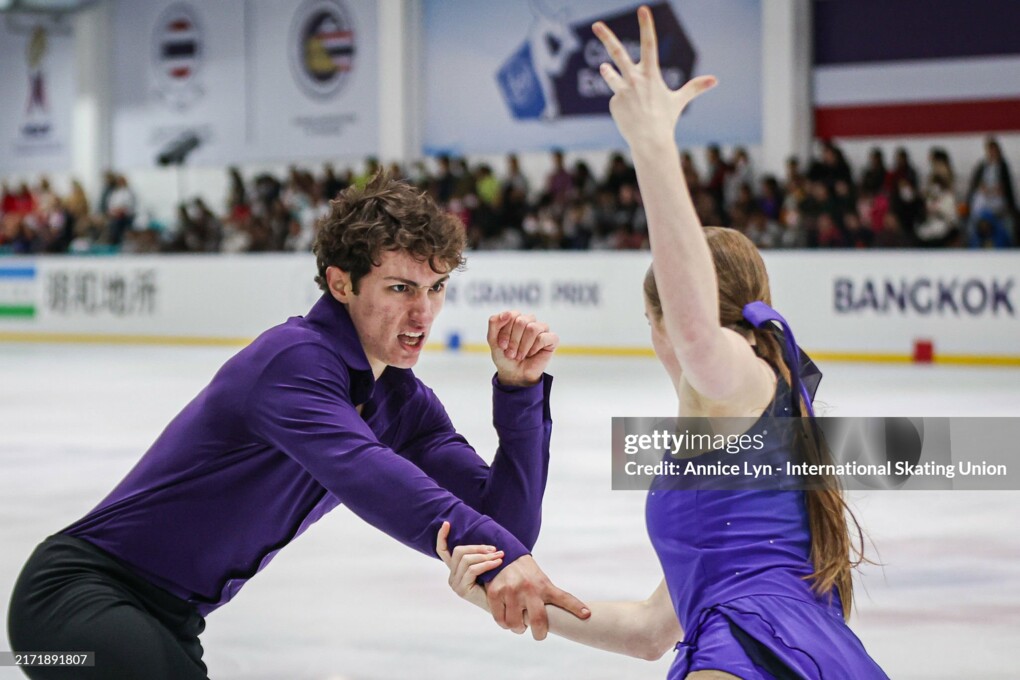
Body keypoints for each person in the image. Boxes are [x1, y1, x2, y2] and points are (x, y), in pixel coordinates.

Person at [438, 8, 888, 679]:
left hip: (752, 647)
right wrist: (513, 596)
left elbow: (699, 330)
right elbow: (650, 631)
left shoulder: (738, 378)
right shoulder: (748, 410)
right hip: (777, 646)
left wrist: (652, 145)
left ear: (661, 319)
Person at [7, 173, 588, 679]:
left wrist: (519, 392)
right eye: (400, 288)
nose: (424, 314)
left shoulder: (404, 405)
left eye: (435, 288)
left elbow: (505, 524)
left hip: (169, 620)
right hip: (76, 602)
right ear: (341, 284)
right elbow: (365, 471)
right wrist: (505, 557)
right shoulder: (292, 362)